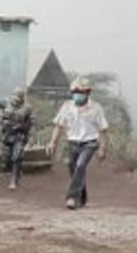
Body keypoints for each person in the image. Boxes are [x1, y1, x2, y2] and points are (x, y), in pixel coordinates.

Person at [46, 76, 109, 209]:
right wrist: (52, 143)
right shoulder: (67, 107)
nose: (77, 95)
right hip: (72, 142)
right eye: (75, 92)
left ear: (87, 93)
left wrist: (102, 148)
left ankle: (72, 197)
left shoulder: (96, 108)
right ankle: (82, 197)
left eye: (81, 92)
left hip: (89, 143)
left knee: (80, 166)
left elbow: (103, 130)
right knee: (73, 168)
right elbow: (59, 126)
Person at [0, 87, 34, 190]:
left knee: (17, 156)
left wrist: (30, 137)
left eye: (18, 98)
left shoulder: (27, 108)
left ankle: (13, 180)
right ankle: (16, 172)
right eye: (14, 97)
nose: (16, 101)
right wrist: (1, 118)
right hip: (6, 134)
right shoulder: (5, 102)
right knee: (6, 157)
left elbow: (31, 123)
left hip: (19, 135)